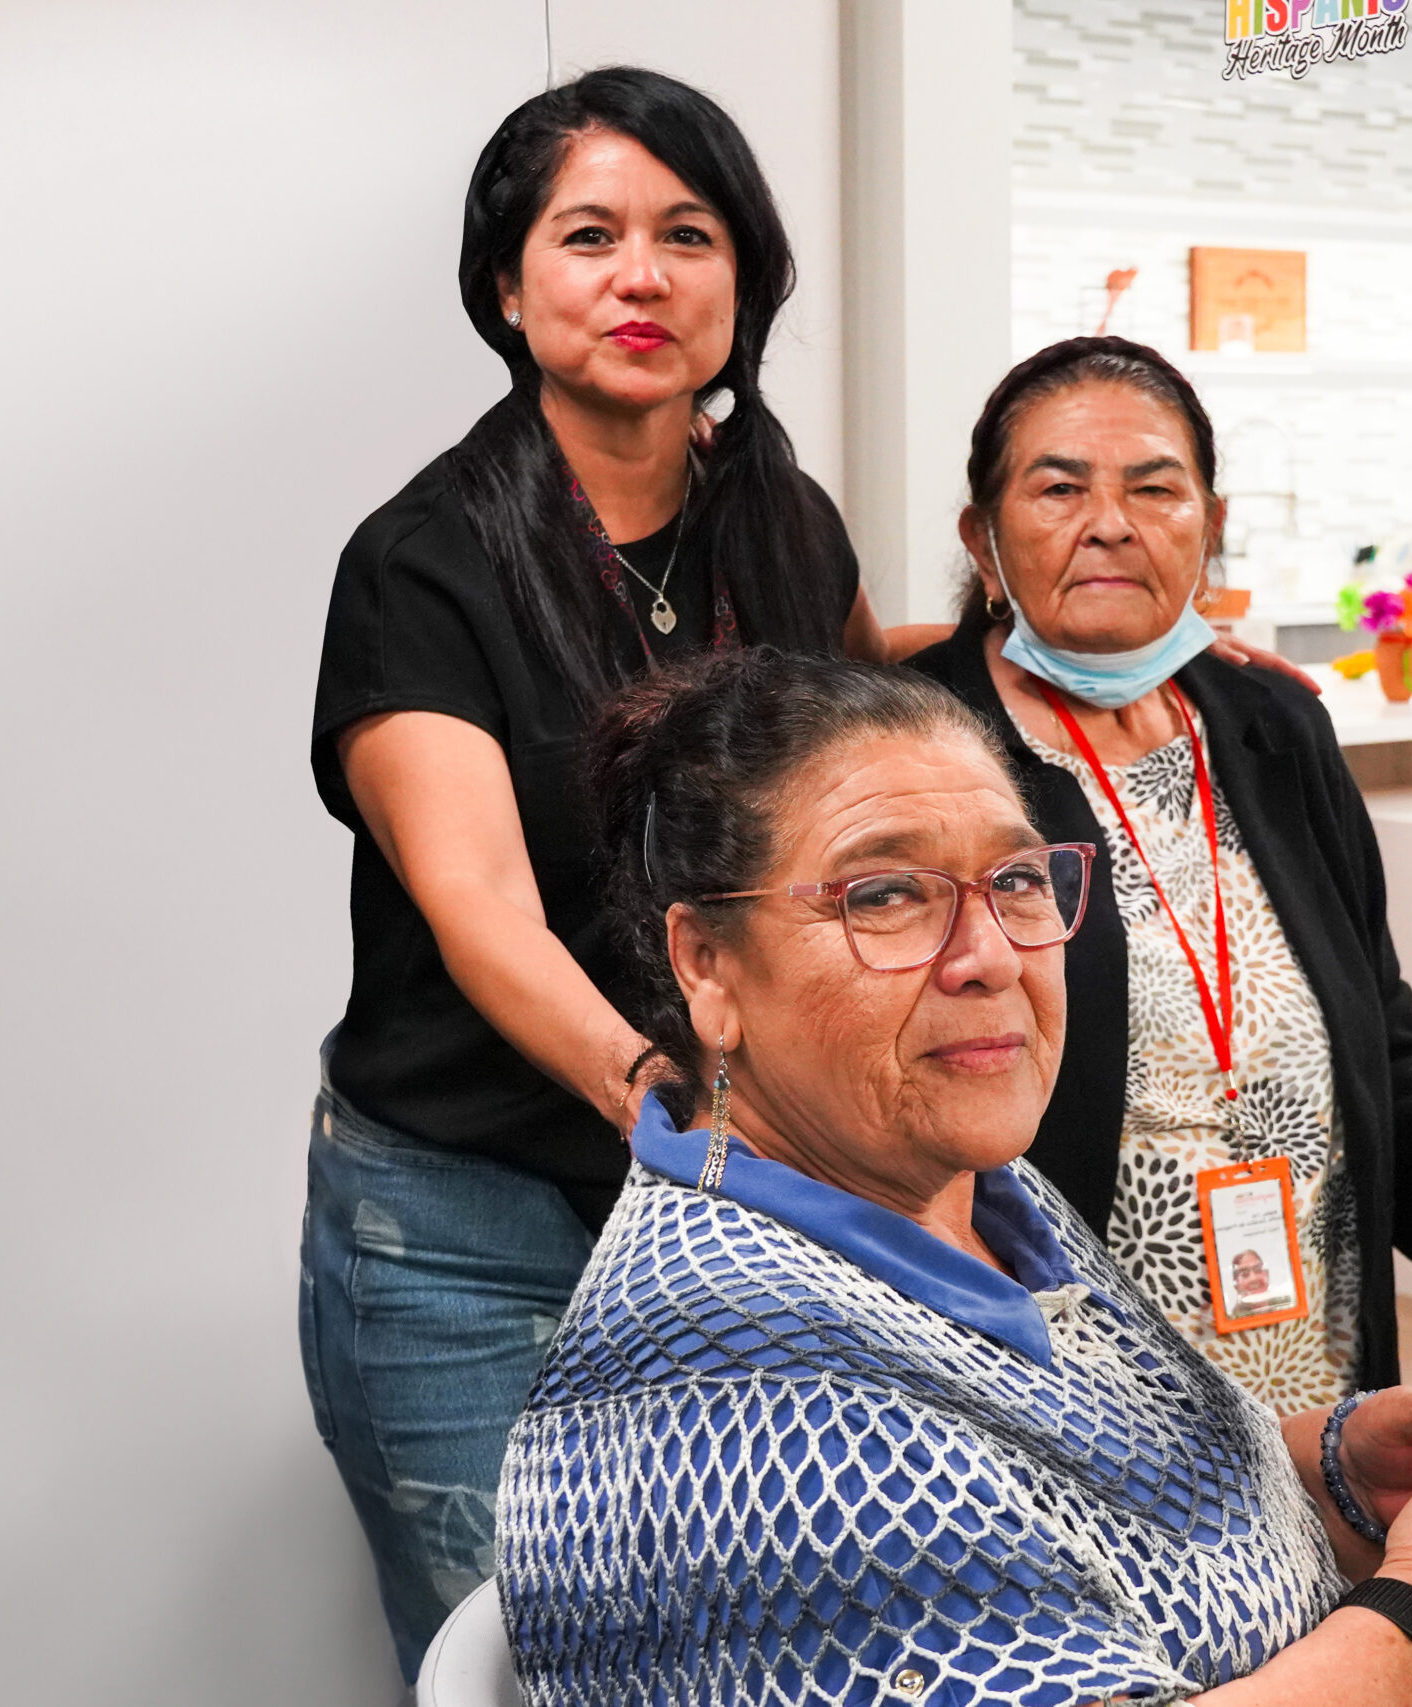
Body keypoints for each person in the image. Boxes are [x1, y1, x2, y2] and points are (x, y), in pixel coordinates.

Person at [497, 648, 1412, 1707]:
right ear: (706, 962)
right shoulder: (753, 1402)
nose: (986, 958)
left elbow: (1063, 1523)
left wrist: (1336, 1474)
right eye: (884, 894)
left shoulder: (974, 1195)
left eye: (1016, 882)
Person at [301, 68, 889, 1676]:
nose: (644, 276)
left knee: (731, 1645)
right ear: (509, 282)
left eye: (689, 234)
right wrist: (667, 1090)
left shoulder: (780, 522)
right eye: (590, 234)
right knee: (537, 1661)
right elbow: (480, 899)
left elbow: (864, 727)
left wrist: (1074, 645)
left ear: (745, 278)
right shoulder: (423, 561)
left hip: (732, 1209)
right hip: (470, 1225)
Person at [906, 337, 1412, 1413]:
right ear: (984, 538)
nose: (1110, 523)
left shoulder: (1272, 729)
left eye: (1155, 488)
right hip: (1063, 1401)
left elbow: (1380, 1041)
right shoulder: (914, 748)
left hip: (1313, 1385)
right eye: (1059, 489)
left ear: (1212, 528)